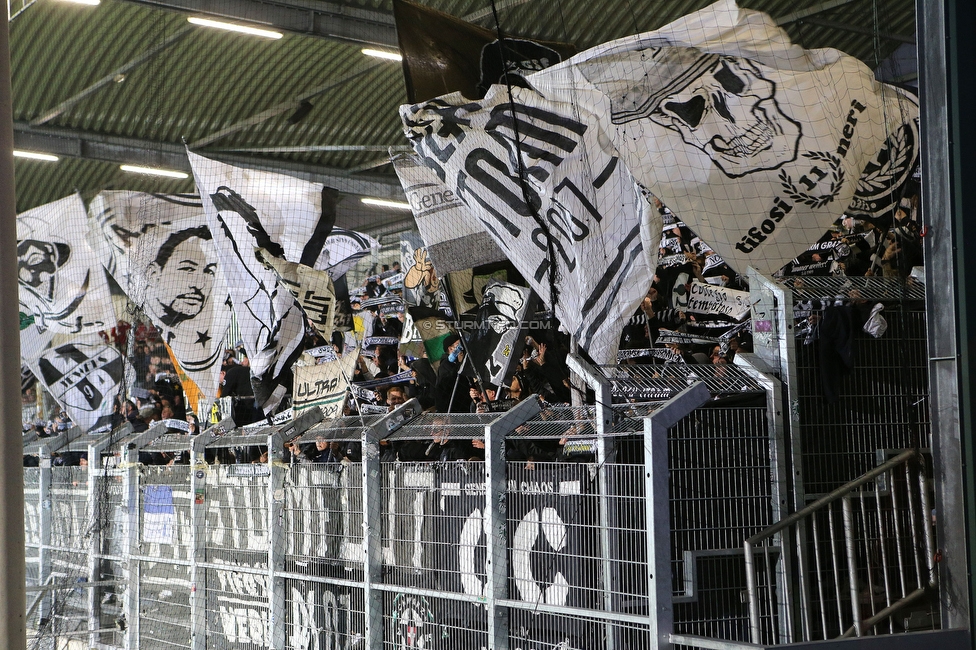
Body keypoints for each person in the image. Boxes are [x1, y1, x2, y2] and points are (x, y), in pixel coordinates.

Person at [435, 333, 472, 413]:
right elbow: (450, 380)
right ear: (451, 349)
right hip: (455, 404)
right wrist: (459, 363)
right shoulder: (445, 365)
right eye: (458, 345)